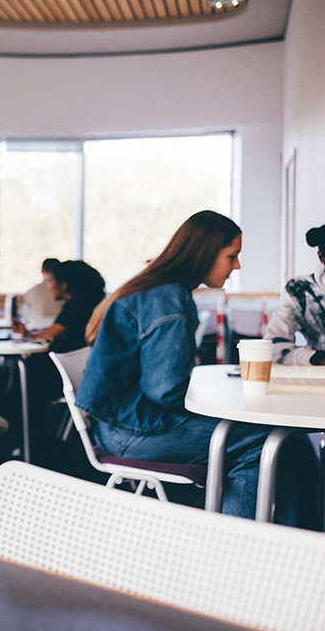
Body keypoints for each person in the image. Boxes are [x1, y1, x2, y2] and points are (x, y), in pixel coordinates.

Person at [76, 210, 317, 526]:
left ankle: (287, 549)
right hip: (133, 431)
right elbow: (164, 389)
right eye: (232, 256)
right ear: (204, 253)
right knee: (267, 444)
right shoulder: (168, 297)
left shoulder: (160, 290)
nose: (237, 265)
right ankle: (240, 553)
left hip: (123, 423)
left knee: (286, 441)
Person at [263, 224, 325, 365]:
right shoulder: (300, 291)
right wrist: (317, 358)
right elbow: (273, 348)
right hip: (318, 378)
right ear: (321, 258)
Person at [12, 260, 104, 353]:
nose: (48, 286)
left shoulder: (75, 307)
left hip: (69, 359)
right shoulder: (88, 303)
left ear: (63, 286)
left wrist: (27, 334)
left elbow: (48, 336)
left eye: (51, 281)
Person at [19, 258, 64, 329]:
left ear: (42, 271)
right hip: (60, 328)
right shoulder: (66, 290)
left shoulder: (31, 291)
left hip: (38, 328)